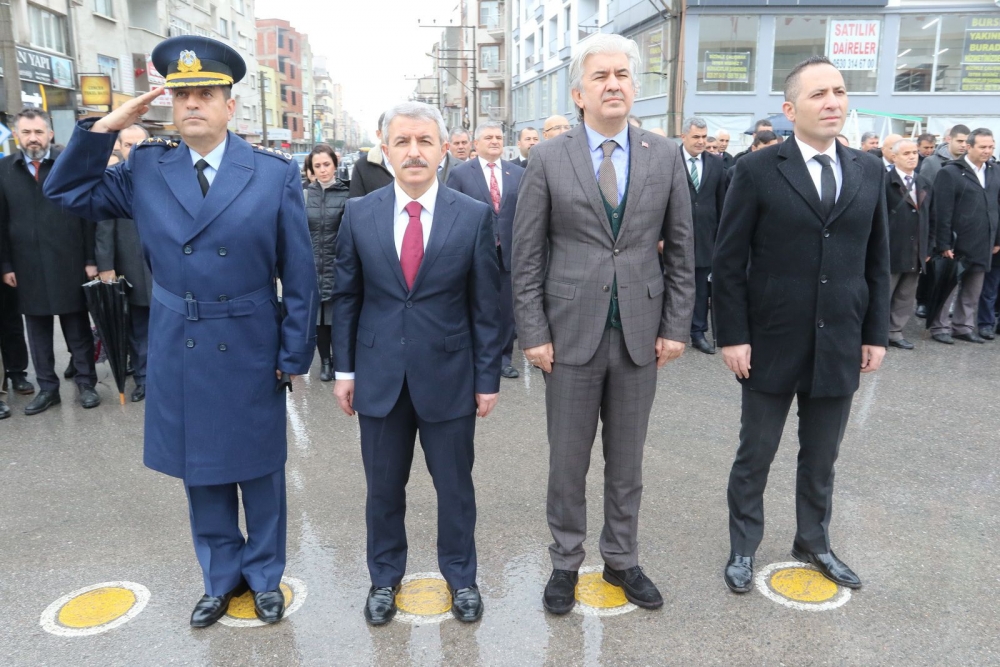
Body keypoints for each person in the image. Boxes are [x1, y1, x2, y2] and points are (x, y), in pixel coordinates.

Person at [44, 36, 318, 628]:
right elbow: (65, 191)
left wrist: (295, 351)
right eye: (181, 93)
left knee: (261, 469)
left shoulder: (270, 173)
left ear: (229, 105)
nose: (192, 103)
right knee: (203, 470)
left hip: (249, 338)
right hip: (181, 338)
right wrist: (106, 125)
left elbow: (298, 273)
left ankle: (265, 577)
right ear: (167, 102)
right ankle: (221, 579)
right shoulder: (146, 166)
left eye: (205, 93)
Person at [512, 33, 695, 615]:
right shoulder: (547, 157)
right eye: (601, 76)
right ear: (579, 93)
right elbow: (527, 256)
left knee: (628, 460)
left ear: (634, 88)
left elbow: (684, 252)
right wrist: (534, 332)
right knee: (567, 461)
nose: (613, 84)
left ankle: (621, 559)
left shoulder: (664, 155)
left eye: (622, 75)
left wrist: (677, 325)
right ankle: (566, 562)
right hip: (568, 336)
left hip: (641, 332)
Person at [713, 55, 889, 595]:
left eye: (838, 90)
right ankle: (744, 544)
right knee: (756, 452)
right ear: (791, 110)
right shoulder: (757, 170)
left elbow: (876, 258)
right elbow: (728, 260)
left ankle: (813, 540)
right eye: (818, 94)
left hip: (839, 338)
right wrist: (733, 335)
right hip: (770, 339)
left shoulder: (867, 169)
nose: (832, 101)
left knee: (821, 456)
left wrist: (875, 333)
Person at [331, 101, 501, 626]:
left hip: (450, 378)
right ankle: (384, 578)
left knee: (455, 489)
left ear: (444, 148)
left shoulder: (471, 215)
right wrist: (344, 371)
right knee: (383, 489)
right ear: (385, 150)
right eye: (402, 142)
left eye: (425, 141)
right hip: (379, 378)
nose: (413, 151)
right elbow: (347, 297)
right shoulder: (359, 213)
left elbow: (486, 305)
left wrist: (488, 378)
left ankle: (462, 578)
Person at [0, 108, 100, 415]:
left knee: (77, 327)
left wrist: (90, 259)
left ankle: (86, 384)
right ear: (17, 135)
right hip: (26, 265)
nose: (33, 139)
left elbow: (86, 214)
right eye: (27, 132)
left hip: (69, 260)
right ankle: (48, 389)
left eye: (39, 132)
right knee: (38, 332)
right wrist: (6, 265)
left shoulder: (67, 166)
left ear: (50, 134)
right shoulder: (3, 169)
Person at [447, 122, 524, 379]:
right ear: (476, 144)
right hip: (474, 252)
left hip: (509, 252)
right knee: (474, 304)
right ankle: (473, 355)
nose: (494, 141)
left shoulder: (518, 173)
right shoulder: (460, 174)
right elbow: (451, 213)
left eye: (499, 137)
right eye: (488, 137)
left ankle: (503, 358)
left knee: (505, 309)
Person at [95, 123, 154, 402]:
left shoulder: (166, 173)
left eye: (139, 144)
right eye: (128, 145)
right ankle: (142, 379)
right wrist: (106, 267)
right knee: (138, 331)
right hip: (132, 270)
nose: (134, 150)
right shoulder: (113, 179)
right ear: (119, 147)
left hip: (166, 273)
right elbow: (104, 228)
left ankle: (172, 379)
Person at [929, 128, 1000, 344]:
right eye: (983, 147)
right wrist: (943, 243)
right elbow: (941, 210)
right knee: (948, 287)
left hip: (983, 241)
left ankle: (963, 326)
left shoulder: (994, 171)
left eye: (991, 146)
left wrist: (997, 239)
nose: (987, 151)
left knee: (973, 289)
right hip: (956, 242)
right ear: (968, 147)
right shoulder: (949, 172)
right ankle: (940, 327)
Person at [680, 117, 726, 354]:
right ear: (683, 136)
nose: (701, 141)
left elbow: (722, 202)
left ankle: (698, 333)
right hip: (674, 236)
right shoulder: (670, 161)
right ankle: (666, 331)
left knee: (700, 288)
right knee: (672, 285)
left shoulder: (716, 164)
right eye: (696, 137)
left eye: (704, 137)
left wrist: (720, 237)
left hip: (706, 237)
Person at [305, 143, 349, 381]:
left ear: (335, 164)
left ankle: (342, 361)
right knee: (319, 319)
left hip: (339, 264)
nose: (323, 170)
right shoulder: (304, 194)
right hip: (312, 266)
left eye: (326, 164)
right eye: (317, 166)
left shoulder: (347, 193)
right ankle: (325, 361)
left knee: (339, 318)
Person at [884, 139, 932, 350]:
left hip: (916, 249)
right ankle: (875, 334)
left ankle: (895, 332)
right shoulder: (884, 182)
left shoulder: (923, 182)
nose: (913, 156)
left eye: (914, 152)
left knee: (906, 295)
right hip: (891, 249)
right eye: (906, 153)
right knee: (884, 293)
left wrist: (929, 247)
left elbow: (933, 217)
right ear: (894, 157)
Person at [349, 113, 394, 198]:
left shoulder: (414, 161)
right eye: (388, 131)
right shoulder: (362, 166)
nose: (392, 135)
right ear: (378, 134)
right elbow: (356, 204)